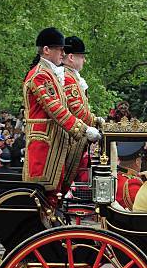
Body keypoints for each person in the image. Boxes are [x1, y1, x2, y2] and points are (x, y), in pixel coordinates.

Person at [22, 27, 101, 204]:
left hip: (55, 139)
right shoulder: (39, 75)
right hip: (44, 140)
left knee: (55, 191)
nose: (63, 53)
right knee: (45, 190)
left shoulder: (50, 73)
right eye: (60, 49)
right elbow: (55, 108)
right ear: (46, 50)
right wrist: (84, 128)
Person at [62, 36, 105, 192]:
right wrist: (95, 121)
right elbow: (76, 109)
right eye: (82, 57)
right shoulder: (67, 77)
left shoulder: (71, 76)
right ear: (71, 57)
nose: (84, 61)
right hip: (71, 136)